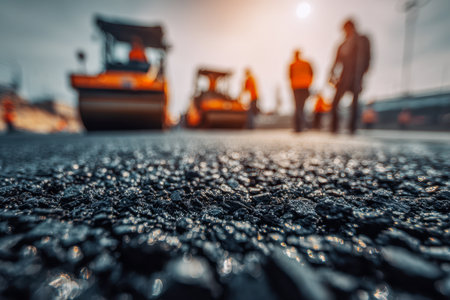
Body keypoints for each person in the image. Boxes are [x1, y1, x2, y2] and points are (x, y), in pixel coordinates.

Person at [329, 18, 371, 134]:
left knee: (355, 102)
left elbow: (368, 57)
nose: (345, 32)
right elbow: (335, 61)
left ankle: (352, 128)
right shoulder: (342, 44)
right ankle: (334, 127)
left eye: (346, 29)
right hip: (344, 76)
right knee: (335, 102)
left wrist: (364, 72)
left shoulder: (362, 39)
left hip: (356, 74)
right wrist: (332, 73)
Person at [289, 49, 313, 132]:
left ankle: (298, 127)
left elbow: (290, 76)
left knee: (298, 107)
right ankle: (301, 126)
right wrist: (309, 83)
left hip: (297, 87)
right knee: (301, 106)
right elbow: (312, 73)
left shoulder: (292, 64)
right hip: (305, 87)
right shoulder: (306, 63)